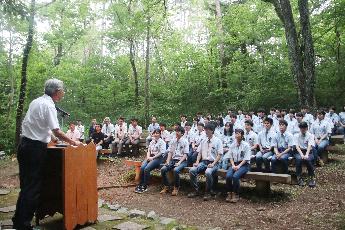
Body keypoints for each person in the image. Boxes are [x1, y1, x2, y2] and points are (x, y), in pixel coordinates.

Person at [12, 78, 81, 230]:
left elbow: (42, 126)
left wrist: (54, 139)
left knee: (26, 187)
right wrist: (74, 142)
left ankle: (18, 220)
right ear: (57, 92)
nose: (63, 93)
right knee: (33, 188)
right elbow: (56, 130)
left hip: (24, 146)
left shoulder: (36, 102)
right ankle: (24, 225)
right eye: (62, 90)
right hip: (35, 149)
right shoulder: (49, 106)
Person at [187, 123, 223, 201]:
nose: (206, 131)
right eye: (205, 129)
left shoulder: (218, 141)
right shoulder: (204, 140)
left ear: (212, 131)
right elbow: (199, 152)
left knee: (208, 172)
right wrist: (197, 162)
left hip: (215, 162)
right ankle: (196, 190)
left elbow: (220, 154)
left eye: (207, 130)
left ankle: (208, 192)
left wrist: (213, 164)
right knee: (192, 170)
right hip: (204, 162)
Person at [160, 126, 189, 196]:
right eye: (176, 131)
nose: (176, 133)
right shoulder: (173, 141)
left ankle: (176, 187)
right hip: (173, 160)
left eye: (178, 131)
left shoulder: (185, 141)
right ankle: (166, 186)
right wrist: (167, 161)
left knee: (176, 170)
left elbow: (185, 154)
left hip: (182, 161)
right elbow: (170, 152)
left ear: (182, 133)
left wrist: (179, 162)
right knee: (163, 169)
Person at [135, 129, 166, 193]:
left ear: (160, 134)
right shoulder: (152, 141)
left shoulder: (162, 142)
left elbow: (161, 153)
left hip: (158, 158)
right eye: (154, 133)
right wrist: (148, 157)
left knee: (147, 168)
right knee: (142, 167)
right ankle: (140, 184)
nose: (156, 134)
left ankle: (145, 185)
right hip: (150, 157)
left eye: (157, 133)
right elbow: (149, 150)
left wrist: (153, 158)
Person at [225, 129, 251, 203]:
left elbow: (246, 158)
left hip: (244, 165)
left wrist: (239, 166)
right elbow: (230, 156)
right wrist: (233, 165)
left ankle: (236, 193)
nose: (237, 135)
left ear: (242, 135)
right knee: (228, 176)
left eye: (239, 133)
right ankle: (229, 193)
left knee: (235, 176)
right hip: (234, 164)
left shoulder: (246, 145)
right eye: (236, 133)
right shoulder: (232, 145)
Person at [294, 122, 316, 187]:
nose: (302, 129)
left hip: (308, 151)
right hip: (299, 151)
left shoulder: (310, 135)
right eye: (301, 128)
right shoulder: (296, 135)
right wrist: (301, 154)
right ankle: (299, 177)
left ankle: (311, 177)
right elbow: (297, 146)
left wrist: (306, 155)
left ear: (307, 128)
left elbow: (309, 145)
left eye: (304, 128)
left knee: (308, 159)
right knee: (299, 159)